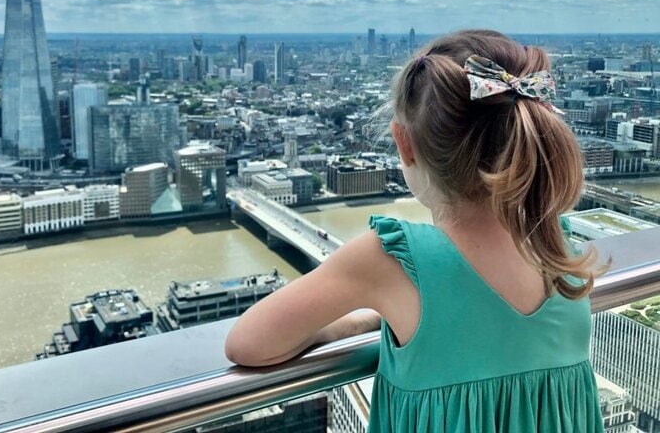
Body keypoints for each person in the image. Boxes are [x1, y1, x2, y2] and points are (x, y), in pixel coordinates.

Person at [225, 29, 605, 432]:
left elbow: (248, 344)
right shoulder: (558, 243)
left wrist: (358, 320)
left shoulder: (395, 258)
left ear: (404, 145)